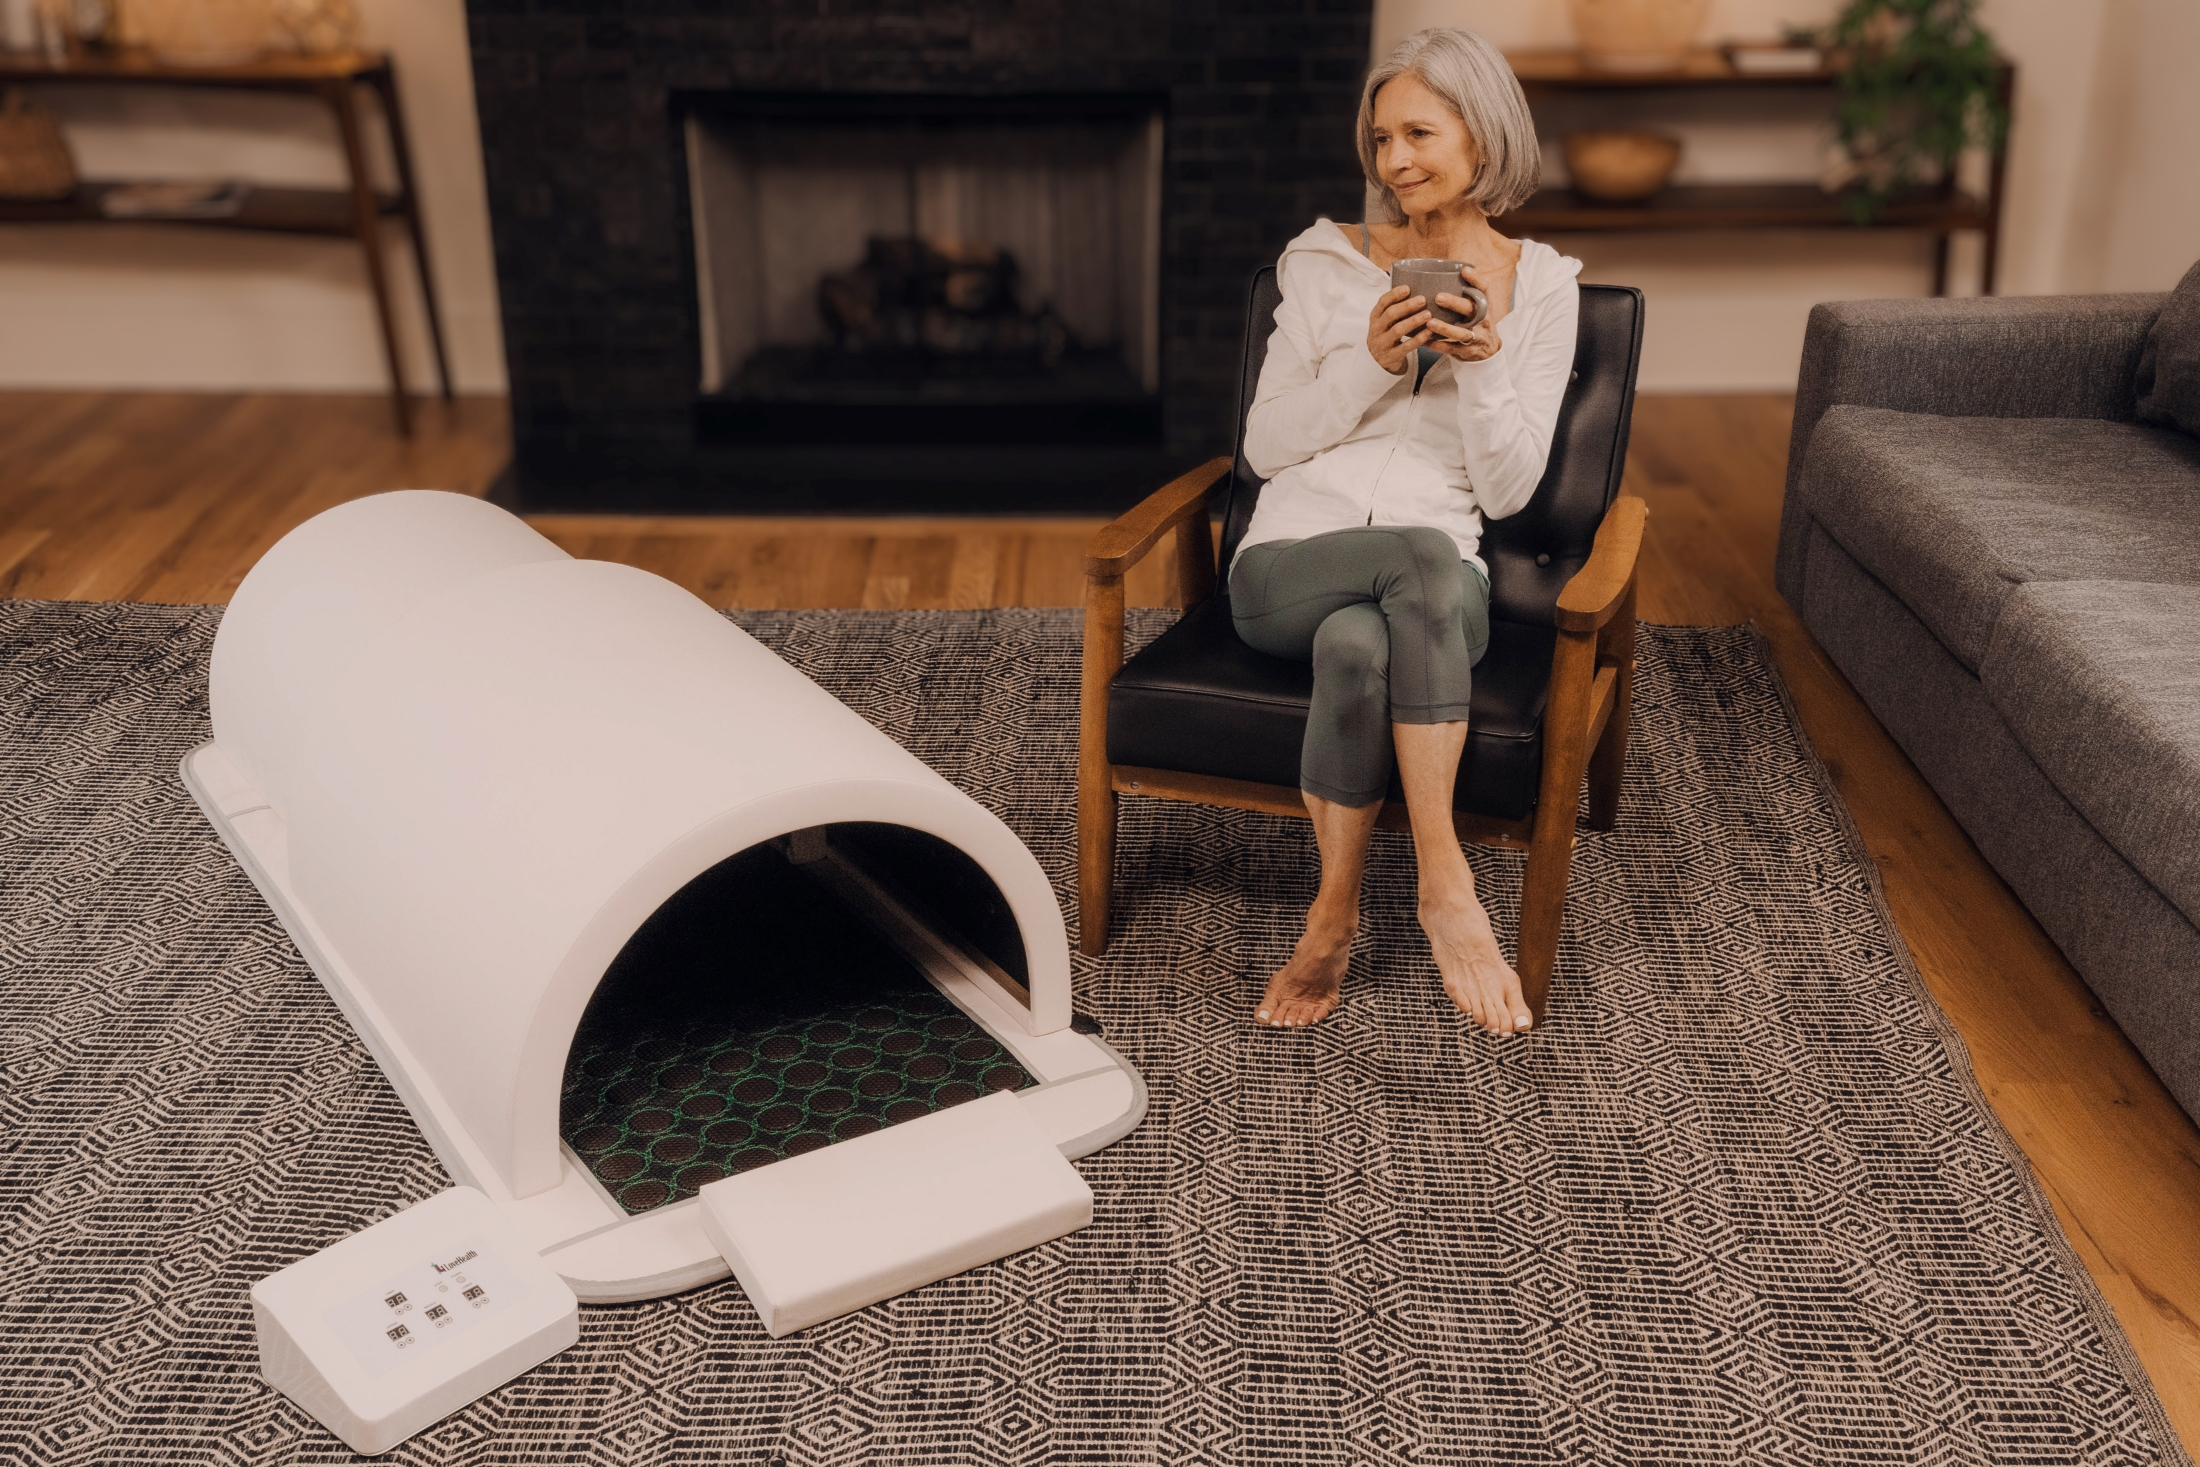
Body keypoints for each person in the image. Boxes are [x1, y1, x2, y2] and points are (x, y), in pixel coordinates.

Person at [1235, 27, 1581, 1038]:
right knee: (1407, 566)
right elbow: (1263, 448)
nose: (1393, 163)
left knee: (1363, 639)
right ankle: (1443, 887)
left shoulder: (1544, 284)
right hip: (1291, 561)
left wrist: (1480, 363)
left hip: (1440, 586)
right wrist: (1368, 363)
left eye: (1418, 133)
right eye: (1380, 139)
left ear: (1482, 133)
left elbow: (1510, 492)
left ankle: (1334, 918)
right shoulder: (1322, 259)